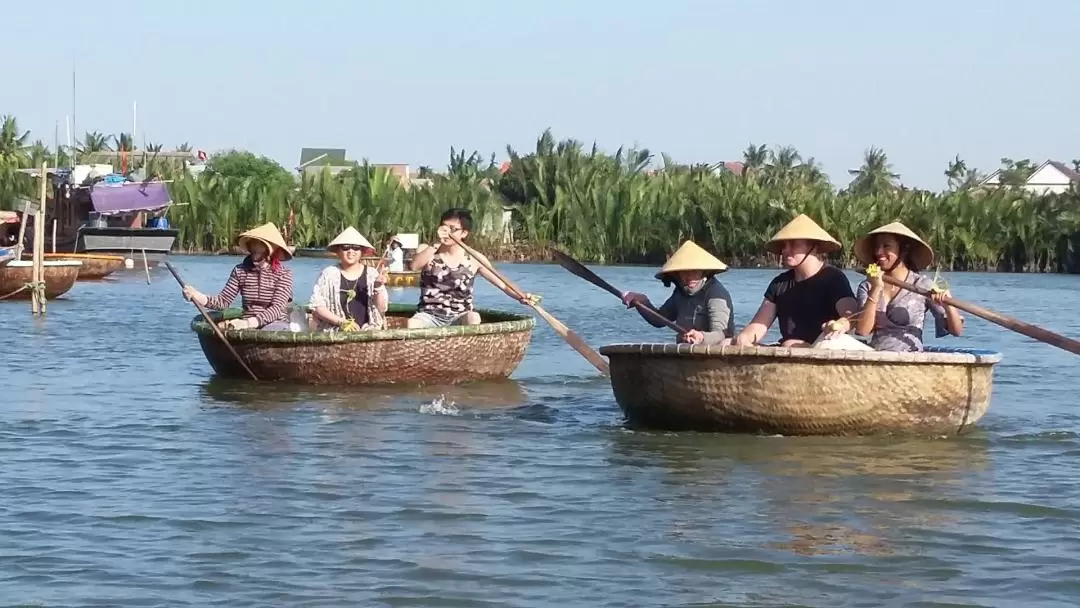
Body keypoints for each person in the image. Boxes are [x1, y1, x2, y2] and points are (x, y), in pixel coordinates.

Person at [730, 214, 857, 347]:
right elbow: (759, 325)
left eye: (793, 244)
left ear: (813, 246)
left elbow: (851, 314)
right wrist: (745, 337)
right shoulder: (779, 283)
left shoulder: (833, 278)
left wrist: (840, 324)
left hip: (824, 346)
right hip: (789, 348)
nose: (785, 250)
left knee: (790, 343)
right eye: (784, 245)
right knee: (728, 342)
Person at [408, 207, 535, 328]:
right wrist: (436, 242)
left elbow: (503, 285)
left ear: (464, 233)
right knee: (412, 324)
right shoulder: (427, 250)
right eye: (444, 227)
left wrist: (521, 297)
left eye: (453, 229)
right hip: (429, 316)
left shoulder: (474, 258)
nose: (447, 232)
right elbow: (414, 266)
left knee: (474, 317)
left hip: (460, 315)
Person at [852, 221, 963, 351]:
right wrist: (876, 288)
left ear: (903, 250)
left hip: (911, 359)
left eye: (886, 246)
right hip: (878, 359)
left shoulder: (922, 285)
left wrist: (948, 305)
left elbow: (956, 331)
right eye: (877, 247)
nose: (879, 252)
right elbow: (863, 331)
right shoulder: (867, 286)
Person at [182, 222, 295, 330]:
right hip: (247, 325)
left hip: (275, 324)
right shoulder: (240, 271)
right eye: (252, 244)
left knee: (270, 329)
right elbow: (222, 301)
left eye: (259, 245)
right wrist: (196, 296)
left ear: (270, 249)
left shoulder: (283, 274)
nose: (254, 248)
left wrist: (248, 323)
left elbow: (276, 309)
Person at [620, 240, 735, 345]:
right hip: (686, 350)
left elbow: (722, 333)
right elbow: (659, 320)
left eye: (695, 271)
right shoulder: (680, 293)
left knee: (725, 342)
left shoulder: (716, 294)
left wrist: (701, 337)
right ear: (677, 274)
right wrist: (642, 302)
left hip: (712, 352)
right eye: (684, 272)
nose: (690, 277)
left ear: (703, 272)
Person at [309, 227, 390, 332]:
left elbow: (381, 309)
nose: (351, 251)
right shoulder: (328, 274)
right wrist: (341, 322)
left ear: (362, 251)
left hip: (368, 331)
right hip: (335, 331)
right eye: (345, 247)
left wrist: (378, 288)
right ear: (338, 251)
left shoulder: (372, 274)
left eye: (356, 248)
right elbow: (317, 306)